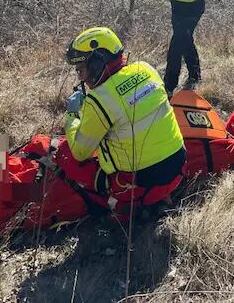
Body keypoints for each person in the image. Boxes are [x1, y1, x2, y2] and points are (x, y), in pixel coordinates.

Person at [61, 26, 186, 214]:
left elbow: (80, 152)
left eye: (81, 69)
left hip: (139, 179)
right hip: (178, 165)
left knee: (67, 159)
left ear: (97, 64)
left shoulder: (99, 99)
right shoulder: (146, 69)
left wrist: (71, 115)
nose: (81, 76)